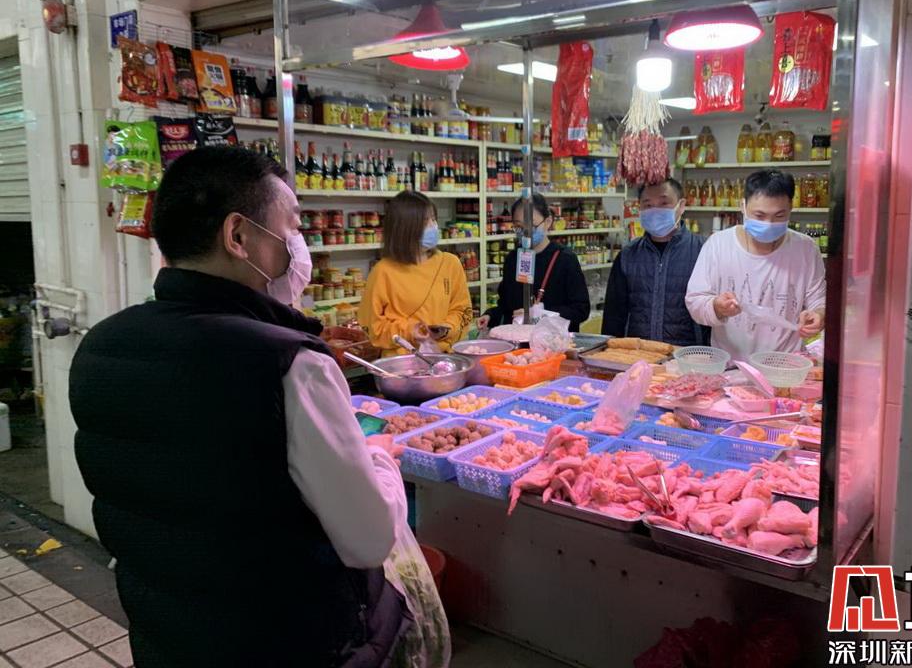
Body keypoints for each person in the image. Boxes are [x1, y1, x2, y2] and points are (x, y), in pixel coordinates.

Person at [69, 147, 409, 667]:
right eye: (293, 226)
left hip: (168, 637)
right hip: (289, 643)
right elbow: (368, 539)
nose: (299, 244)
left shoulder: (101, 346)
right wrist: (380, 458)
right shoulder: (291, 364)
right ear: (238, 236)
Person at [685, 169, 826, 362]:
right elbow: (695, 301)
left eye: (779, 215)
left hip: (785, 365)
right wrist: (716, 307)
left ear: (791, 208)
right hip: (730, 365)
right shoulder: (718, 245)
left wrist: (818, 315)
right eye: (759, 215)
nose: (769, 223)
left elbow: (819, 301)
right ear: (743, 206)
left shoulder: (805, 248)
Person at [359, 190, 473, 356]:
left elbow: (463, 311)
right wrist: (410, 331)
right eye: (425, 221)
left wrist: (447, 329)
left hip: (444, 358)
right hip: (400, 363)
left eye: (433, 219)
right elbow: (372, 328)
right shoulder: (383, 271)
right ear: (404, 228)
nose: (433, 226)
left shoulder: (450, 263)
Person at [601, 178, 705, 345]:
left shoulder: (703, 251)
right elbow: (613, 317)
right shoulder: (628, 255)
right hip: (638, 354)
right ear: (640, 208)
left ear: (681, 205)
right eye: (648, 205)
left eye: (664, 203)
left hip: (687, 355)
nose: (655, 211)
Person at [482, 193, 591, 332]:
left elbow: (581, 310)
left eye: (531, 225)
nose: (525, 232)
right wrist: (491, 315)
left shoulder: (565, 259)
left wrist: (540, 314)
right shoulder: (513, 258)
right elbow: (506, 306)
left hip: (554, 340)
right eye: (518, 226)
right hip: (517, 340)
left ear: (548, 222)